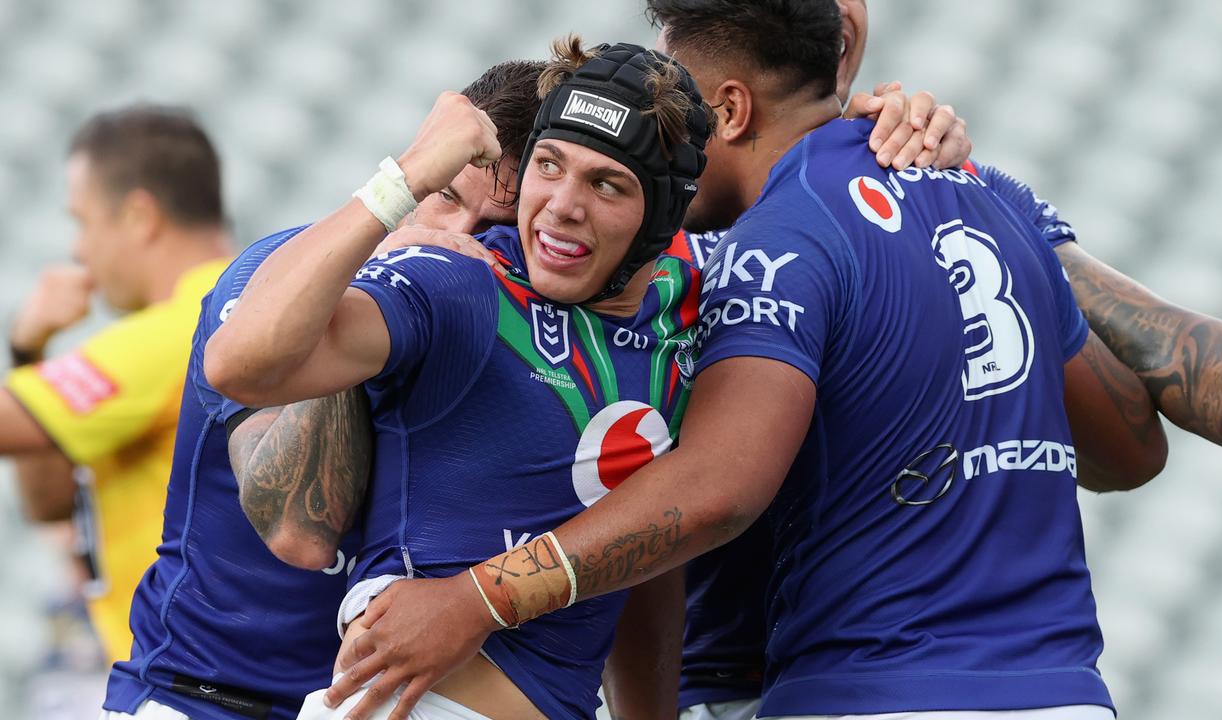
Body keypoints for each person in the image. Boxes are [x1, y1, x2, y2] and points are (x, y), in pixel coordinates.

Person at [318, 3, 1175, 719]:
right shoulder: (980, 199)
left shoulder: (772, 245)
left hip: (864, 688)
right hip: (1064, 690)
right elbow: (1134, 449)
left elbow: (714, 490)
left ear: (726, 111)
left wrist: (474, 600)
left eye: (680, 110)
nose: (667, 140)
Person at [205, 39, 715, 719]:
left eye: (606, 184)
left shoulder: (693, 301)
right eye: (548, 166)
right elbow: (237, 362)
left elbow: (645, 553)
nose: (561, 205)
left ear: (662, 220)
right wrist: (405, 179)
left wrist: (884, 117)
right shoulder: (461, 284)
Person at [98, 62, 546, 720]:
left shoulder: (514, 342)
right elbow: (299, 534)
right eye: (445, 197)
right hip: (201, 700)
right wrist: (373, 281)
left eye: (493, 227)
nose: (457, 239)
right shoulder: (270, 280)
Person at [0, 105, 232, 665]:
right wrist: (27, 353)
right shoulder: (241, 302)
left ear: (138, 215)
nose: (78, 250)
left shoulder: (181, 326)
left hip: (188, 674)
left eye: (82, 221)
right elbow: (50, 501)